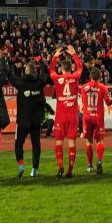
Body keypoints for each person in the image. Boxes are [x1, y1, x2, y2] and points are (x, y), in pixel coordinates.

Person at [2, 55, 49, 179]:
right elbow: (45, 72)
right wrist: (39, 59)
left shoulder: (20, 83)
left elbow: (9, 75)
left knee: (18, 144)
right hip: (36, 122)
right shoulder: (40, 83)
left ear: (25, 71)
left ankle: (21, 165)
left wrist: (11, 64)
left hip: (22, 121)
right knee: (36, 145)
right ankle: (34, 170)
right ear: (35, 71)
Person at [49, 45, 83, 179]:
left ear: (62, 69)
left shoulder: (57, 78)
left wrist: (55, 57)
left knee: (58, 143)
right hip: (73, 116)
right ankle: (70, 171)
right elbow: (80, 67)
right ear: (71, 68)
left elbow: (51, 69)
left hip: (61, 116)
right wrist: (74, 54)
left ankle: (60, 167)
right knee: (72, 144)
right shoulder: (75, 77)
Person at [80, 67, 112, 174]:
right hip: (98, 116)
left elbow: (83, 100)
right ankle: (99, 161)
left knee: (88, 141)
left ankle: (90, 166)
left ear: (90, 76)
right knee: (100, 140)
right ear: (100, 77)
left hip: (87, 116)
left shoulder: (84, 87)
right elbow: (108, 102)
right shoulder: (103, 87)